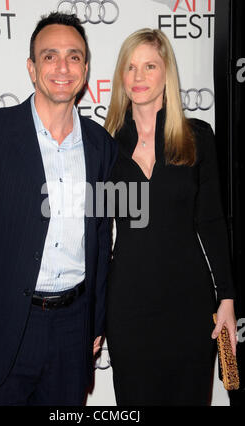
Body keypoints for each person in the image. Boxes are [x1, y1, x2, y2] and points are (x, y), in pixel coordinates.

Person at [0, 12, 117, 406]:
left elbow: (100, 238)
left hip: (74, 330)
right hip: (0, 328)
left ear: (86, 69)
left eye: (74, 57)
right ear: (31, 67)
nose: (62, 67)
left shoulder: (101, 145)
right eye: (50, 56)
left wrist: (96, 320)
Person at [104, 28, 237, 406]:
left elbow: (211, 221)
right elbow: (96, 232)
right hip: (127, 304)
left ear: (167, 74)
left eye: (150, 66)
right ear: (121, 76)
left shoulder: (196, 137)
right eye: (130, 67)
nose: (139, 76)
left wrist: (226, 296)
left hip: (189, 303)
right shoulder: (104, 144)